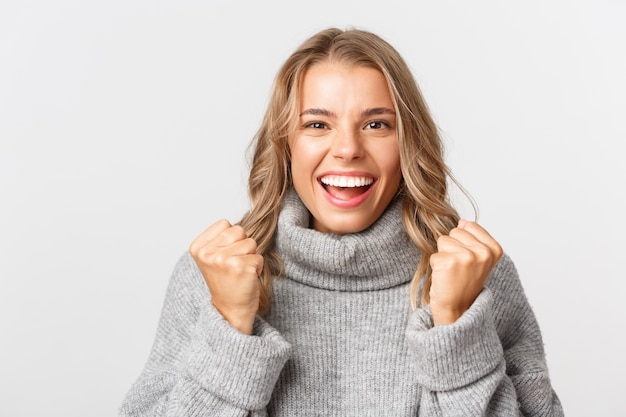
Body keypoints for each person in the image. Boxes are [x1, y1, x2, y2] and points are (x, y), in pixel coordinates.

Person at [119, 27, 563, 416]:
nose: (348, 148)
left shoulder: (480, 278)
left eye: (376, 125)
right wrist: (233, 322)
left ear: (408, 144)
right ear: (285, 144)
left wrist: (453, 323)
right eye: (317, 125)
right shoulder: (212, 279)